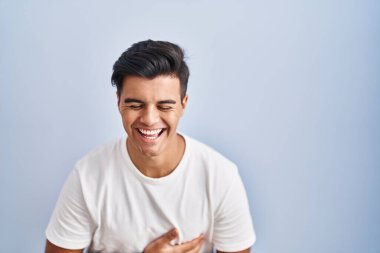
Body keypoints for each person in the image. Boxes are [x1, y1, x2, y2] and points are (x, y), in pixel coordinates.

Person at [45, 40, 256, 253]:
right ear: (119, 103)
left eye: (164, 106)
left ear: (183, 104)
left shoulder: (221, 177)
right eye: (135, 105)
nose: (149, 119)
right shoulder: (88, 176)